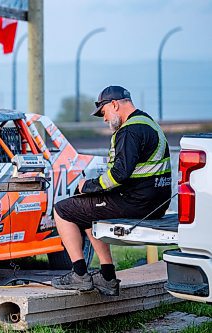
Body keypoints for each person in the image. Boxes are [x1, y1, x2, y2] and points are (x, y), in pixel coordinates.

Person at [51, 86, 172, 296]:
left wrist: (88, 185)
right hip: (156, 201)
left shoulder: (129, 131)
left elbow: (119, 174)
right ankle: (107, 276)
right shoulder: (148, 122)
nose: (105, 120)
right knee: (85, 206)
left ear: (114, 104)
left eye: (104, 112)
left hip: (136, 203)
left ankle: (79, 274)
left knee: (63, 210)